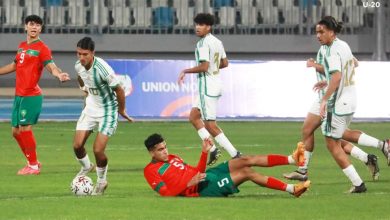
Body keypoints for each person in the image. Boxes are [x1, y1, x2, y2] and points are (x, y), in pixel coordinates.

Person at [284, 19, 390, 182]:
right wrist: (327, 80)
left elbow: (337, 73)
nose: (318, 35)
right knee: (308, 130)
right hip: (327, 96)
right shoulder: (342, 45)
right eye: (316, 32)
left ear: (332, 32)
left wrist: (314, 66)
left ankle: (374, 154)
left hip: (333, 99)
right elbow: (353, 63)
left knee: (335, 138)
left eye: (321, 32)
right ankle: (304, 169)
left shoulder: (331, 50)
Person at [0, 15, 70, 175]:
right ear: (25, 26)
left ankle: (32, 166)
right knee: (15, 132)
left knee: (25, 129)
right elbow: (14, 65)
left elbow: (50, 65)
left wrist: (58, 74)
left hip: (31, 95)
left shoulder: (42, 48)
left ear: (40, 29)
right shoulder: (22, 46)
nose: (34, 27)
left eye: (38, 25)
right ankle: (33, 161)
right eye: (32, 24)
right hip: (19, 95)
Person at [143, 133, 311, 198]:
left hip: (206, 176)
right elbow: (166, 194)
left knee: (245, 159)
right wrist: (188, 184)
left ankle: (292, 159)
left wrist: (204, 152)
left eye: (165, 147)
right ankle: (292, 189)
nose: (165, 152)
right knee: (246, 172)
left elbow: (198, 172)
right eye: (160, 150)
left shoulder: (173, 157)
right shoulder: (150, 171)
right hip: (202, 190)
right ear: (152, 153)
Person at [72, 37, 133, 195]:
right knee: (77, 146)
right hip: (91, 108)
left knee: (98, 150)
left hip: (108, 110)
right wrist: (85, 89)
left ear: (93, 53)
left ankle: (101, 181)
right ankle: (86, 166)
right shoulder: (79, 66)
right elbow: (80, 77)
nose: (81, 57)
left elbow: (119, 90)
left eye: (85, 54)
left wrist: (121, 110)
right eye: (79, 54)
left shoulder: (103, 69)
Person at [177, 13, 240, 166]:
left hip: (208, 88)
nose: (198, 27)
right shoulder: (217, 41)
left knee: (210, 125)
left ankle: (235, 155)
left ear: (208, 27)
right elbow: (225, 63)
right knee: (193, 117)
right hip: (216, 84)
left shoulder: (203, 44)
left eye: (202, 25)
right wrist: (212, 66)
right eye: (197, 24)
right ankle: (211, 149)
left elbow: (204, 67)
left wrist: (185, 71)